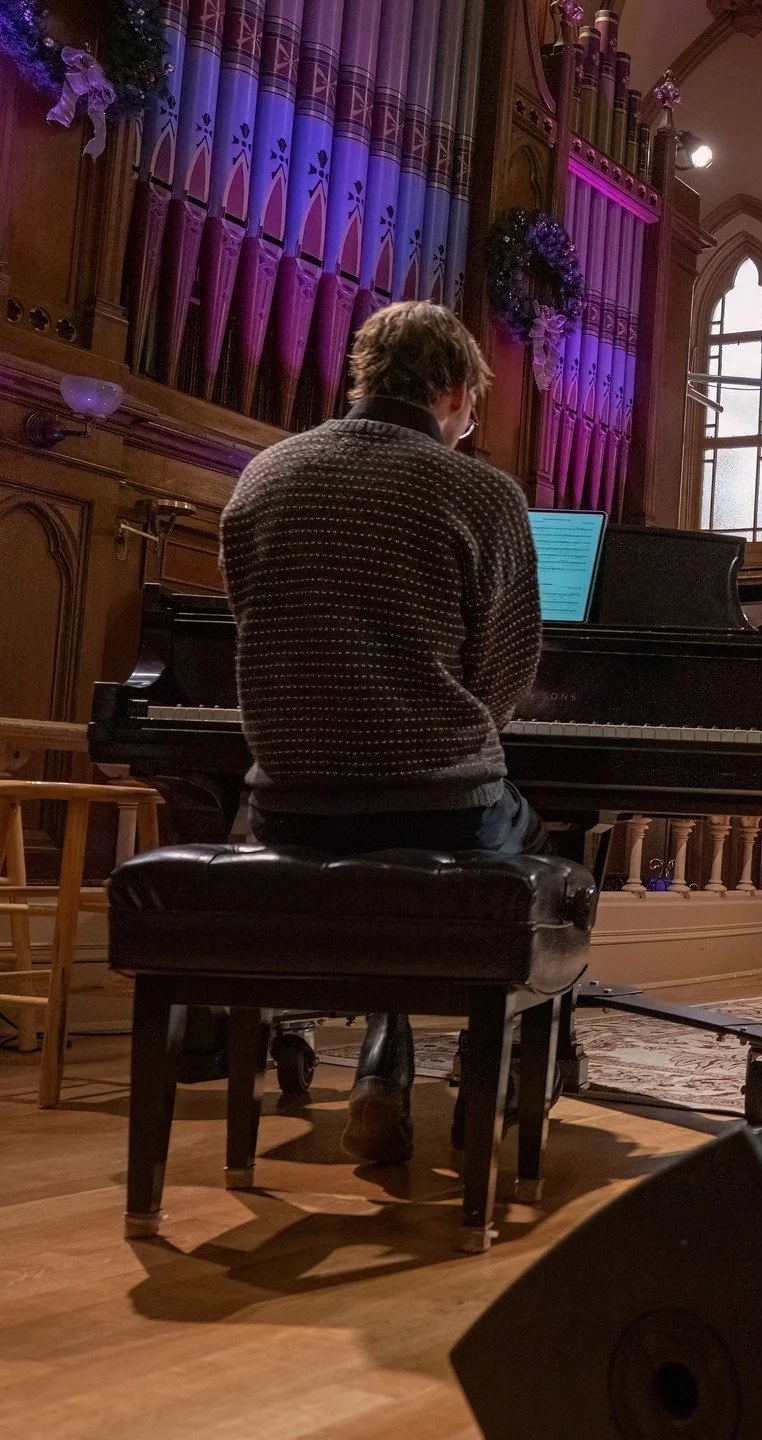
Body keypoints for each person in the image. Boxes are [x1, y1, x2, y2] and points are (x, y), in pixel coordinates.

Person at [220, 301, 543, 1165]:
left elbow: (253, 626)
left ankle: (380, 1068)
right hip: (439, 817)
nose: (468, 427)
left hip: (287, 814)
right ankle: (486, 1062)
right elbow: (505, 677)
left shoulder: (265, 475)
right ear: (449, 391)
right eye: (470, 409)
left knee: (384, 868)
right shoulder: (483, 492)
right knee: (530, 825)